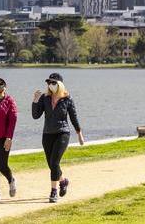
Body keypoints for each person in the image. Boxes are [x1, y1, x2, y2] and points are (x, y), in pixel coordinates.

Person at [32, 72, 84, 203]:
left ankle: (53, 191)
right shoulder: (45, 98)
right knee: (51, 164)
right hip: (47, 134)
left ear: (60, 84)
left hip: (62, 133)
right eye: (49, 83)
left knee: (54, 163)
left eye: (53, 83)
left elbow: (73, 117)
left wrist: (79, 134)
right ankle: (63, 181)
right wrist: (35, 100)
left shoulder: (67, 99)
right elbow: (35, 115)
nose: (50, 85)